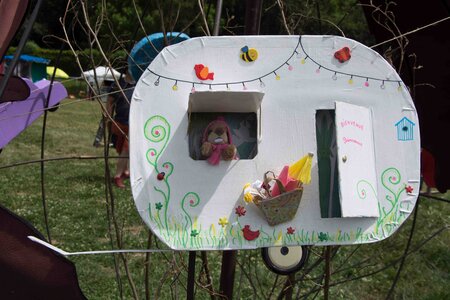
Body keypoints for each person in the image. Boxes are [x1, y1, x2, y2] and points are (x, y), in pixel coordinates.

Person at [106, 67, 135, 188]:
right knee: (121, 149)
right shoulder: (119, 83)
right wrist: (108, 116)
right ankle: (126, 171)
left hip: (133, 122)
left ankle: (118, 175)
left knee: (127, 149)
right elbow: (110, 101)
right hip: (119, 121)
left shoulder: (140, 83)